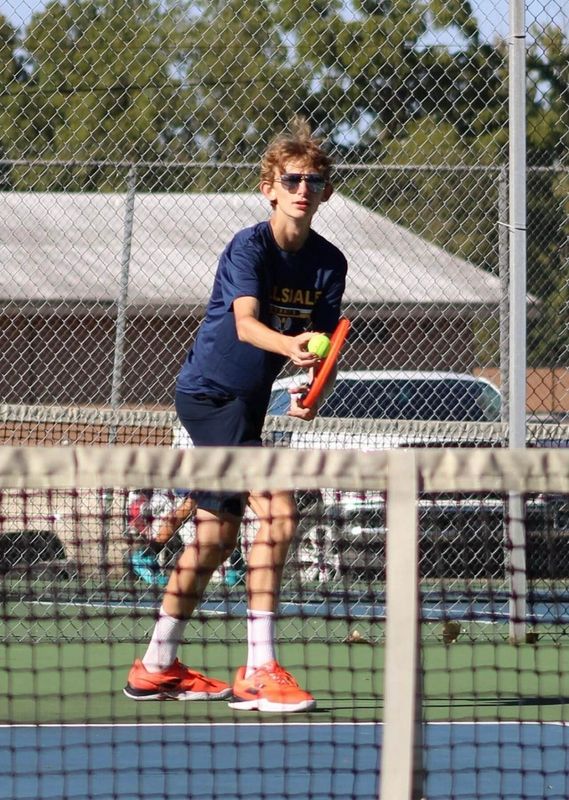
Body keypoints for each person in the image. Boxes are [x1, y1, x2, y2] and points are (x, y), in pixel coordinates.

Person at [123, 116, 347, 712]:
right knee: (277, 508)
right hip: (209, 394)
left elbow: (318, 349)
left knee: (217, 536)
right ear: (270, 187)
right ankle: (257, 670)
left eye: (315, 181)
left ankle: (155, 665)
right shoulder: (248, 247)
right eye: (293, 179)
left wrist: (311, 388)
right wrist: (291, 348)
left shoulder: (329, 264)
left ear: (326, 193)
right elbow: (248, 325)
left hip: (248, 405)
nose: (304, 189)